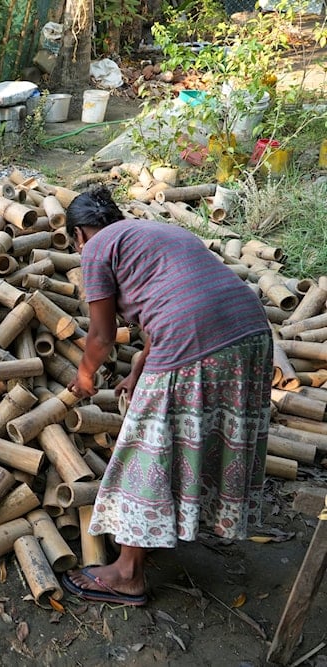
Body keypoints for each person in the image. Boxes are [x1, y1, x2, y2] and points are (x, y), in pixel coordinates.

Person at [61, 187, 272, 606]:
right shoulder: (159, 232)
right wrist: (139, 371)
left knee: (147, 450)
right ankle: (164, 528)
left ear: (79, 234)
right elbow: (173, 302)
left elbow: (101, 338)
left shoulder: (96, 248)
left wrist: (84, 379)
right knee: (198, 434)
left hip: (194, 339)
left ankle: (127, 574)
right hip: (252, 334)